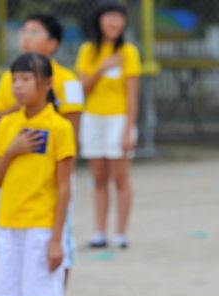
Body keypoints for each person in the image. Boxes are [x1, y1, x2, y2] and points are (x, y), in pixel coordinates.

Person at [0, 13, 82, 296]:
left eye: (34, 31)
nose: (25, 36)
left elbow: (73, 124)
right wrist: (23, 111)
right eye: (23, 30)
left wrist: (43, 117)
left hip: (55, 173)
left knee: (59, 245)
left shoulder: (68, 80)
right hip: (17, 187)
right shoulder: (9, 78)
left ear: (52, 43)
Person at [75, 1, 141, 248]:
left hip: (118, 119)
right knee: (99, 178)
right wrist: (101, 67)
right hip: (93, 119)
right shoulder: (88, 51)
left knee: (120, 177)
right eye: (109, 17)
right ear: (99, 20)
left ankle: (121, 233)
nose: (114, 22)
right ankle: (99, 232)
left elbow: (132, 95)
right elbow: (82, 88)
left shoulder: (129, 52)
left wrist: (128, 129)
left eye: (119, 17)